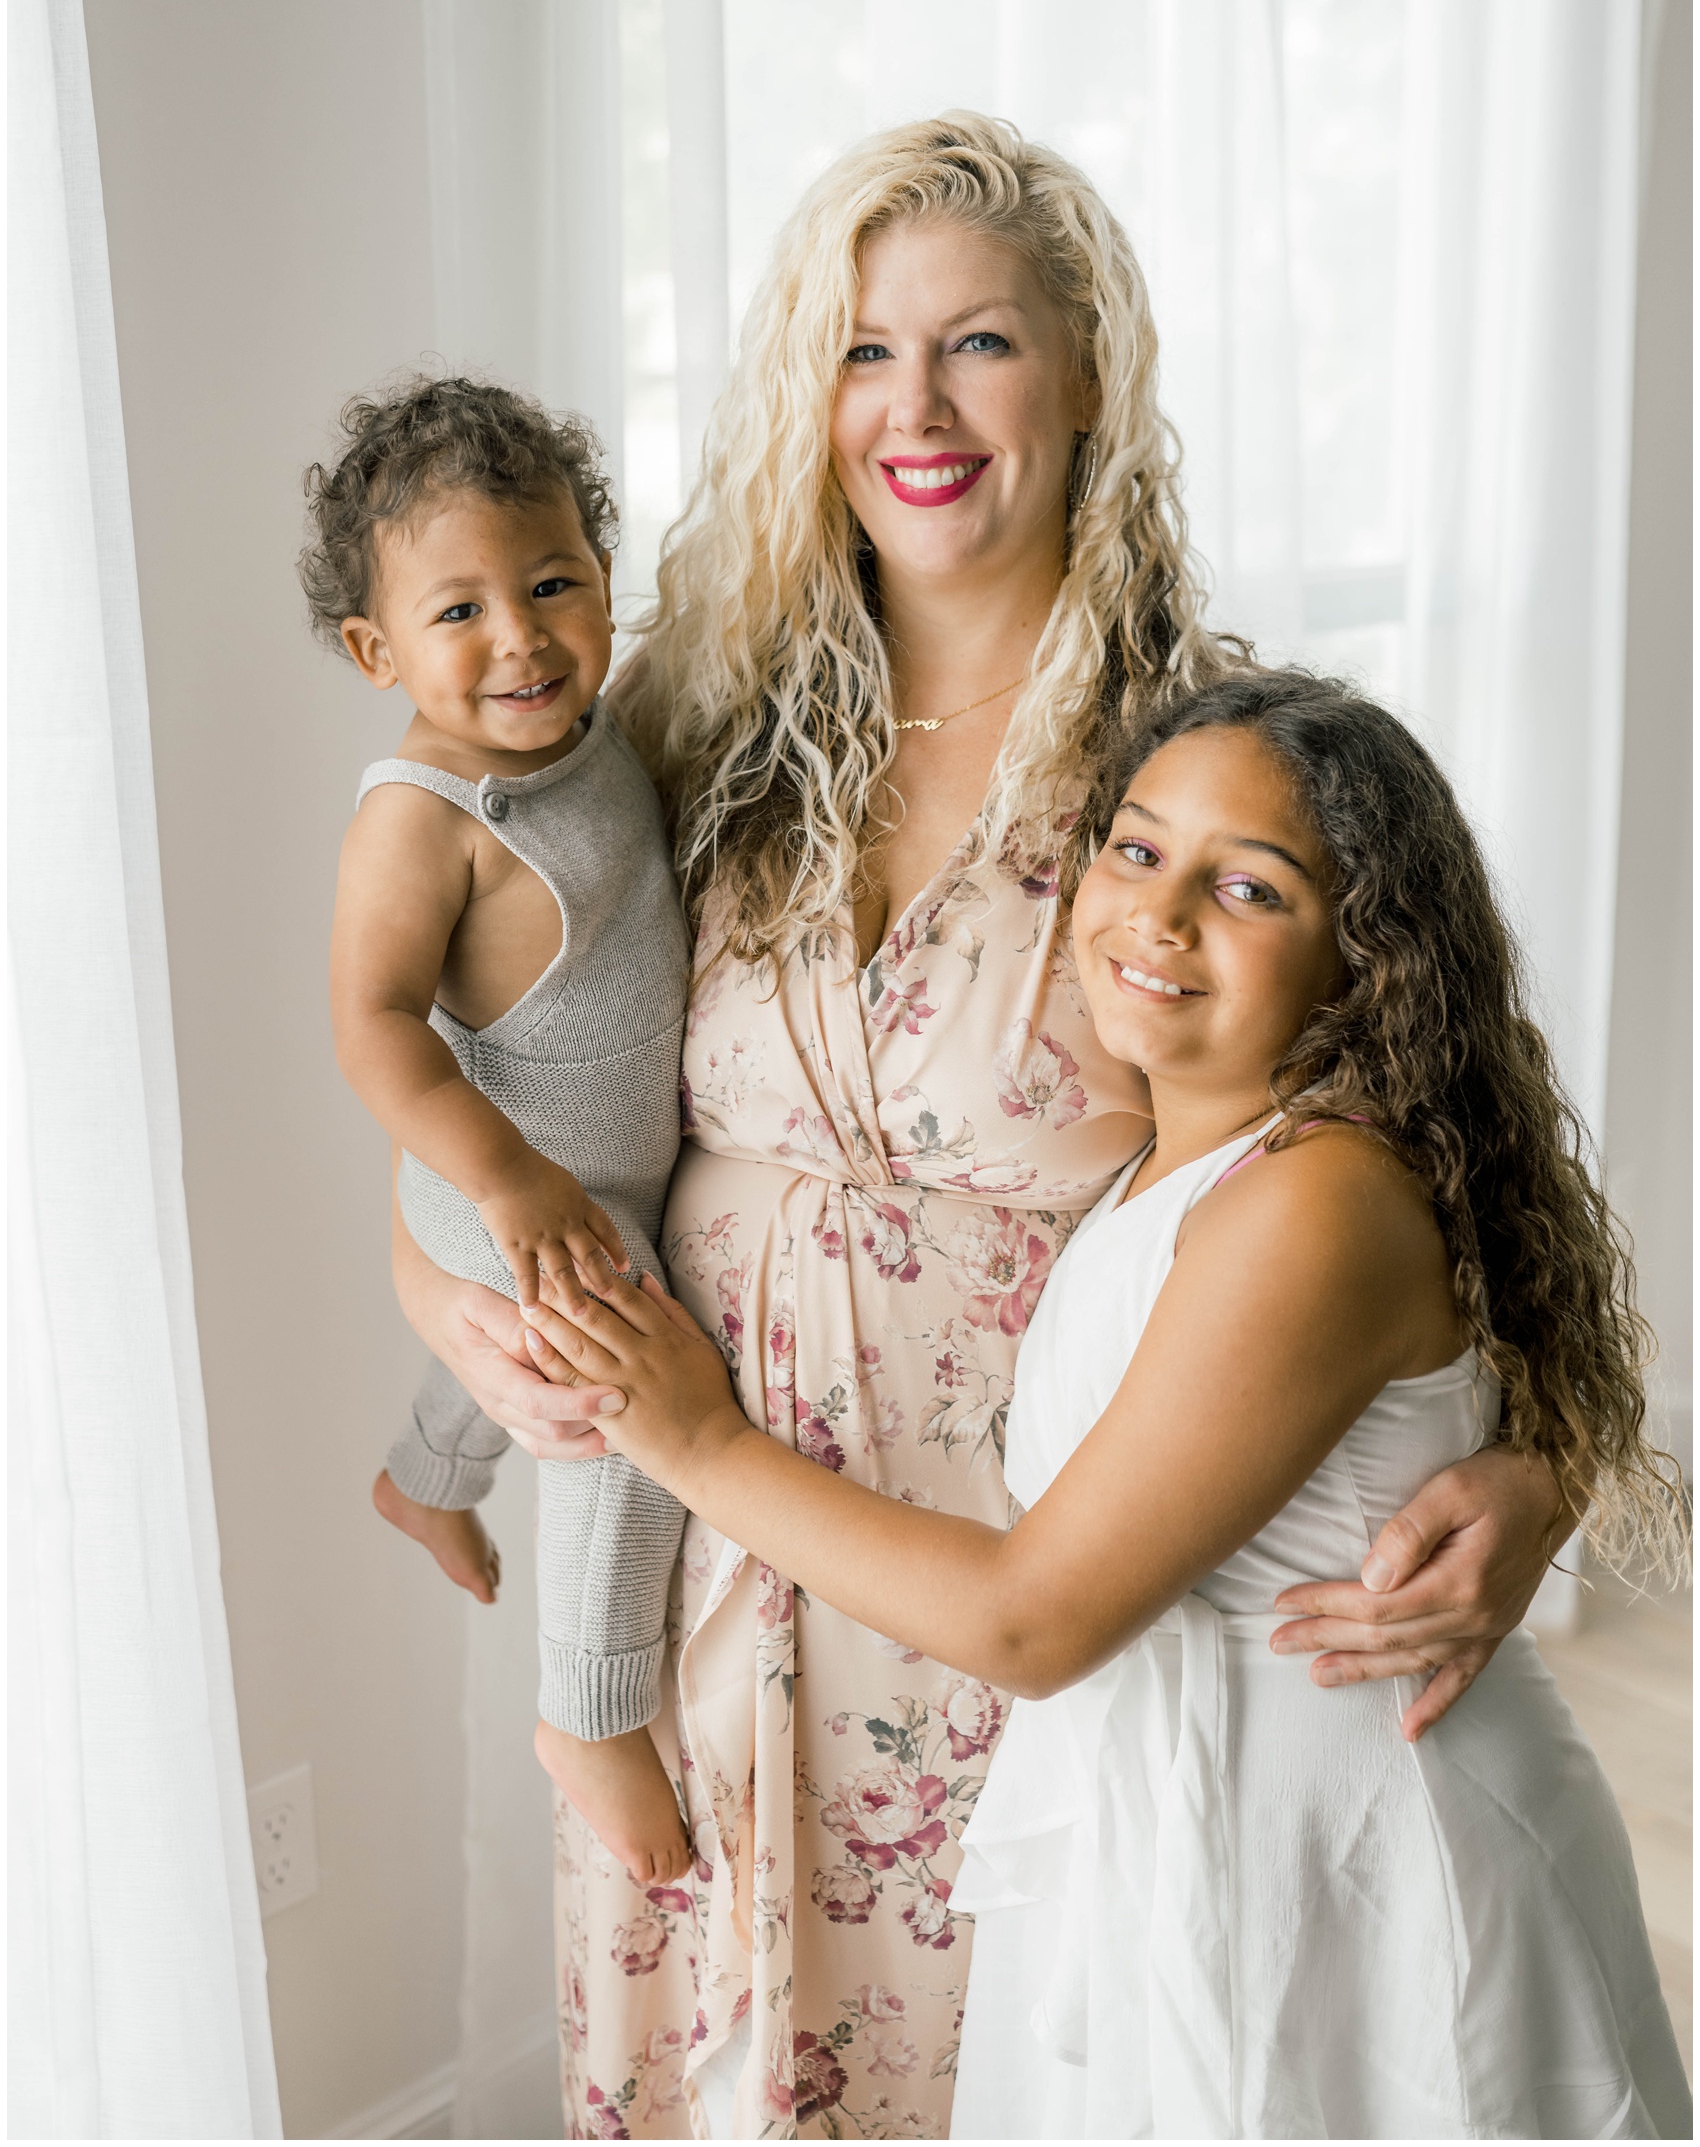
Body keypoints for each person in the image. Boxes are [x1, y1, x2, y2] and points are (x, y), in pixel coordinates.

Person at [390, 117, 1576, 2138]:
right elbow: (474, 1062)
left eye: (981, 346)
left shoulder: (1197, 754)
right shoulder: (680, 720)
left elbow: (1437, 1152)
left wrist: (1541, 1463)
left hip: (1020, 1619)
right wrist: (434, 1294)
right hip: (687, 1579)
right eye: (862, 351)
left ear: (1090, 373)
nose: (914, 409)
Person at [534, 668, 1691, 2142]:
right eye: (1136, 850)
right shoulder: (1165, 1154)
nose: (1159, 913)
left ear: (1367, 952)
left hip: (1365, 1848)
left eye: (1250, 887)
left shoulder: (1316, 1203)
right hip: (1177, 1830)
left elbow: (1038, 1620)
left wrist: (691, 1439)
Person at [303, 376, 694, 1886]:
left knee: (541, 1358)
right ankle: (586, 1711)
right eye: (456, 612)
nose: (520, 637)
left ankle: (426, 1475)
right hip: (501, 1165)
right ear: (374, 650)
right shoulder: (424, 814)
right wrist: (510, 1183)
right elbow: (374, 1028)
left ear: (605, 578)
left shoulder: (597, 734)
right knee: (631, 1406)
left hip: (584, 1168)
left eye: (551, 585)